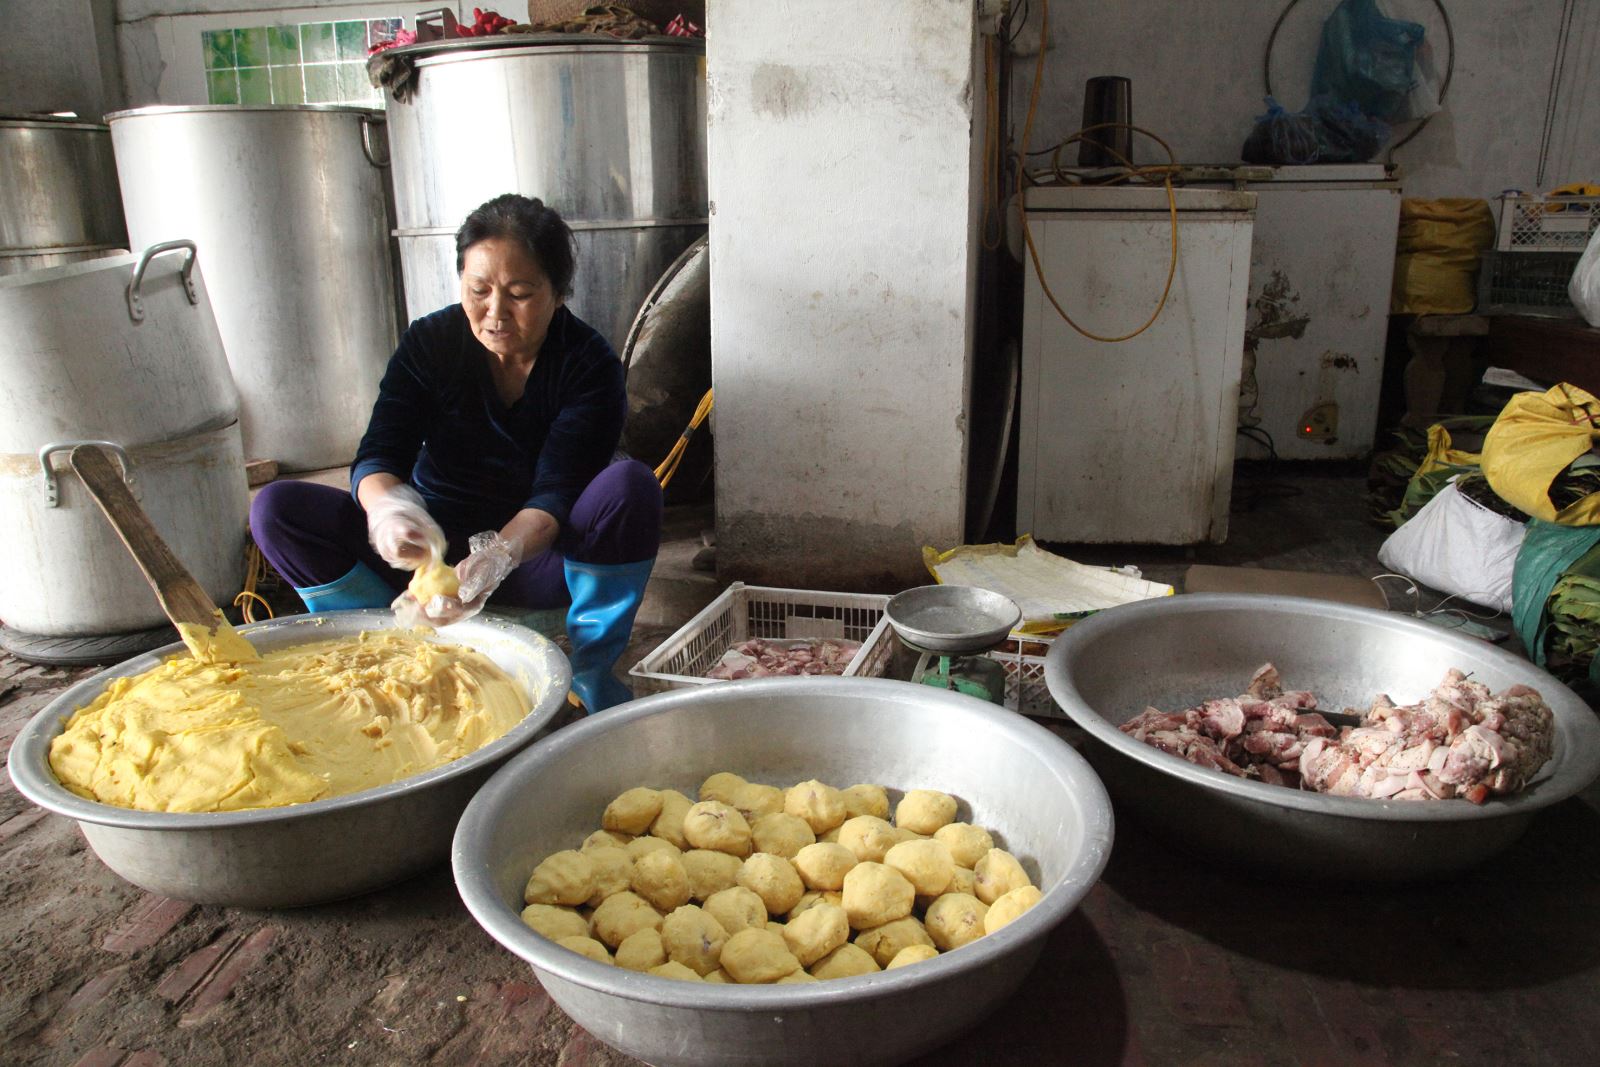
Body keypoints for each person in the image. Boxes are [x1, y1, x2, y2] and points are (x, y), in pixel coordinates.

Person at [250, 193, 662, 712]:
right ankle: (383, 646)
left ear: (558, 293)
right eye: (479, 290)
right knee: (277, 510)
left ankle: (584, 681)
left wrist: (495, 558)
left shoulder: (588, 365)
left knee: (629, 489)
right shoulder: (432, 342)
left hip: (533, 559)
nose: (496, 312)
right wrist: (391, 512)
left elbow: (556, 494)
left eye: (520, 293)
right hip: (430, 549)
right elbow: (380, 452)